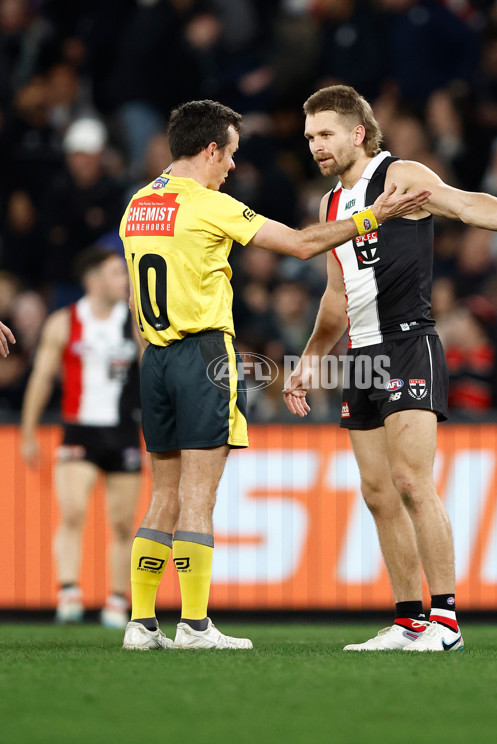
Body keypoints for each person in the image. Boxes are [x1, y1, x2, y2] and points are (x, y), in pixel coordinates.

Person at [283, 85, 497, 652]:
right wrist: (307, 362)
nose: (316, 146)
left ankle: (445, 621)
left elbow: (468, 204)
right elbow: (335, 294)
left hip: (408, 344)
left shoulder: (399, 175)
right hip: (362, 357)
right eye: (309, 138)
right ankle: (407, 620)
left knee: (410, 481)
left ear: (357, 133)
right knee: (377, 493)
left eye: (325, 134)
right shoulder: (331, 206)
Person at [119, 99, 430, 651]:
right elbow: (302, 244)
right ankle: (194, 625)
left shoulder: (138, 205)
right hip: (200, 355)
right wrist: (371, 218)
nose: (233, 167)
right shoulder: (209, 204)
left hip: (155, 358)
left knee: (161, 496)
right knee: (198, 496)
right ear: (210, 149)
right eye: (231, 154)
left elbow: (131, 294)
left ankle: (141, 624)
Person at [21, 247, 142, 628]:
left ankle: (118, 600)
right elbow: (41, 378)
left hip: (123, 430)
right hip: (79, 429)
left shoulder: (134, 322)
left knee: (123, 524)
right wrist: (28, 431)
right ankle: (69, 592)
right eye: (115, 274)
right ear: (92, 280)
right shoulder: (64, 322)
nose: (123, 280)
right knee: (72, 511)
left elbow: (153, 372)